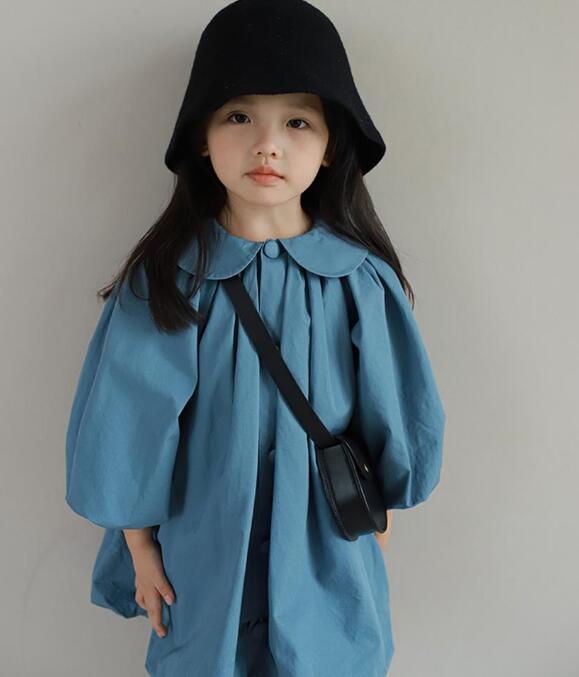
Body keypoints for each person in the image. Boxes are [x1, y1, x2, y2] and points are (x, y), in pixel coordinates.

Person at [64, 1, 446, 675]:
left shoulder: (359, 283)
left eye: (297, 121)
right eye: (238, 116)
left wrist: (376, 527)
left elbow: (396, 413)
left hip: (326, 545)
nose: (267, 145)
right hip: (206, 543)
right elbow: (129, 420)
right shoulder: (170, 279)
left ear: (330, 146)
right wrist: (140, 547)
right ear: (202, 137)